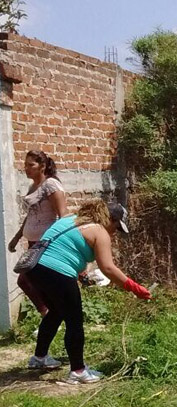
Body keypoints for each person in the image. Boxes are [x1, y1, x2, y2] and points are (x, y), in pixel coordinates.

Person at [25, 199, 152, 381]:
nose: (114, 233)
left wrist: (78, 272)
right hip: (57, 271)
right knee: (74, 320)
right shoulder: (100, 232)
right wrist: (135, 288)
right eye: (116, 227)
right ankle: (78, 371)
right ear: (110, 219)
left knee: (56, 312)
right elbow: (108, 268)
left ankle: (39, 358)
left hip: (34, 269)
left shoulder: (70, 220)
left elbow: (59, 247)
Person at [8, 151, 67, 316]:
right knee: (35, 282)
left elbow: (63, 215)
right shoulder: (33, 187)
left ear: (42, 166)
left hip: (46, 243)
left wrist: (58, 242)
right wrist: (17, 236)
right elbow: (31, 215)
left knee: (26, 280)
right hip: (33, 244)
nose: (26, 168)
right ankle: (50, 315)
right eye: (25, 165)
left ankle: (49, 314)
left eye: (30, 165)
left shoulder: (51, 185)